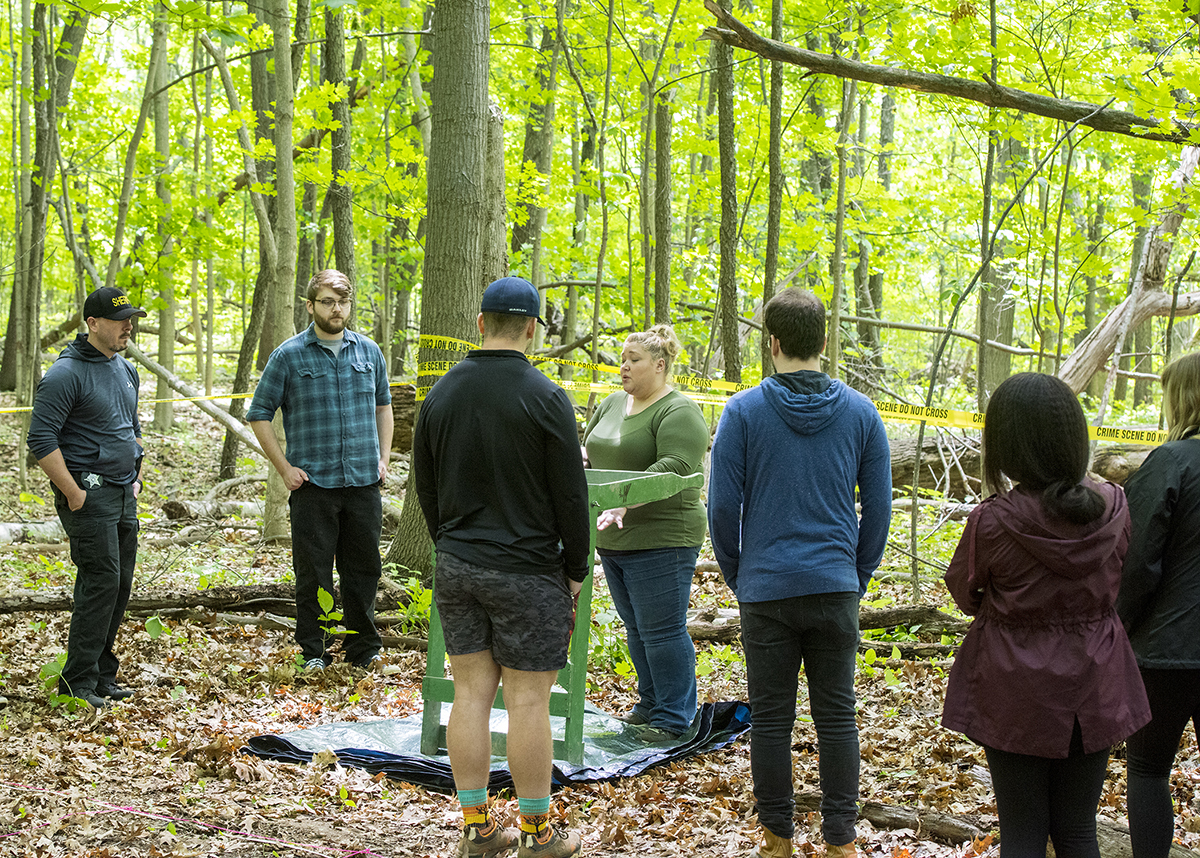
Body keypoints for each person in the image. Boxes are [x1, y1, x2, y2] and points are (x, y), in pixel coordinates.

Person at [708, 288, 891, 858]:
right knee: (838, 717)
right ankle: (840, 841)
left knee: (771, 719)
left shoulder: (742, 411)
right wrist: (855, 575)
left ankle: (776, 839)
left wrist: (740, 575)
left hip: (767, 587)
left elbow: (720, 506)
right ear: (826, 341)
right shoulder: (862, 413)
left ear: (774, 343)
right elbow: (879, 509)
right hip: (833, 584)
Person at [413, 275, 590, 858]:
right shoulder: (545, 397)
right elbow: (571, 494)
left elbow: (426, 486)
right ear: (534, 329)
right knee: (529, 701)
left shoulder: (440, 394)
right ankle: (538, 833)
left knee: (469, 694)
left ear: (481, 323)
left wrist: (450, 544)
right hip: (529, 570)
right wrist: (575, 567)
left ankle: (476, 828)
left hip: (461, 564)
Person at [942, 372, 1150, 858]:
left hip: (1014, 689)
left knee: (1023, 832)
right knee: (1078, 830)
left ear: (1007, 445)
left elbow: (965, 593)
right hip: (1096, 681)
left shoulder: (992, 521)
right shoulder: (1115, 506)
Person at [247, 269, 392, 671]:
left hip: (364, 481)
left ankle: (365, 650)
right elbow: (259, 414)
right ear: (310, 306)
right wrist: (284, 468)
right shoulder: (289, 355)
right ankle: (315, 651)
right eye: (327, 301)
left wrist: (382, 458)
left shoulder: (369, 352)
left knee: (363, 570)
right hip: (313, 484)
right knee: (313, 573)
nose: (336, 309)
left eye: (343, 301)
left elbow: (384, 407)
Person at [581, 324, 708, 742]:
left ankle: (674, 719)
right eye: (622, 358)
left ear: (660, 365)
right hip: (613, 536)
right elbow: (590, 450)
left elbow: (674, 467)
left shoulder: (679, 412)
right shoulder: (613, 403)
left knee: (662, 628)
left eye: (633, 360)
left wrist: (623, 499)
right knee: (636, 627)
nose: (624, 367)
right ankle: (650, 704)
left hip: (664, 536)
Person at [27, 286, 148, 709]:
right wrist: (74, 493)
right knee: (100, 582)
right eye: (120, 320)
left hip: (122, 491)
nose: (128, 326)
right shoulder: (65, 373)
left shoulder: (124, 369)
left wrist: (134, 475)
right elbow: (40, 439)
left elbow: (131, 429)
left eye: (131, 319)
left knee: (120, 584)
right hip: (88, 492)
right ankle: (76, 682)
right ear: (93, 324)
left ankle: (101, 674)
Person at [1119, 351, 1200, 858]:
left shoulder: (1170, 461)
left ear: (1180, 398)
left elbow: (1135, 560)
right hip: (1169, 645)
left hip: (1167, 650)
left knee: (1148, 769)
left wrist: (1119, 627)